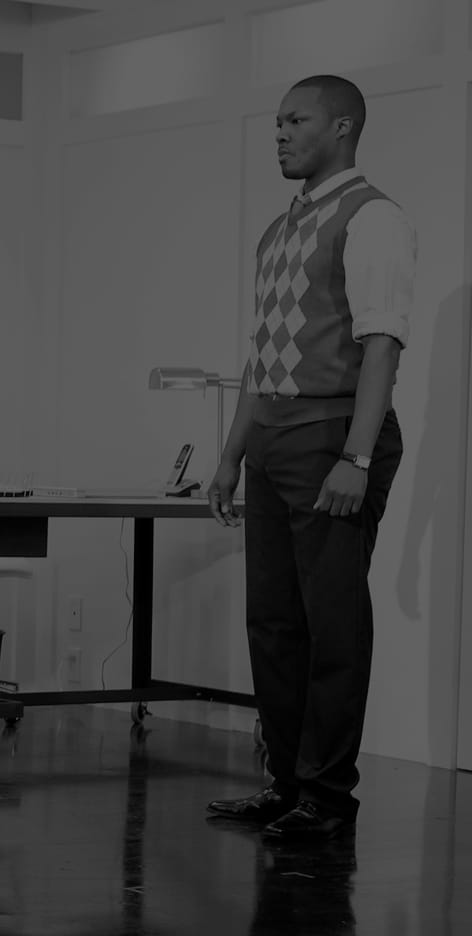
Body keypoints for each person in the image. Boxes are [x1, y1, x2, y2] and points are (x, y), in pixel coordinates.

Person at [205, 75, 415, 842]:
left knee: (331, 623)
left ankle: (328, 797)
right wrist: (230, 456)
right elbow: (264, 357)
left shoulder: (373, 218)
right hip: (274, 438)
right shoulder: (280, 229)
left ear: (344, 127)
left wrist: (356, 457)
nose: (282, 134)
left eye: (297, 121)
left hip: (334, 435)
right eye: (277, 123)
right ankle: (288, 782)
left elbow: (381, 344)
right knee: (274, 622)